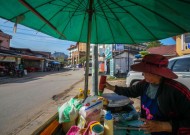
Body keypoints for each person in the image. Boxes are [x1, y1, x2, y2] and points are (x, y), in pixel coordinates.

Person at [105, 54, 190, 135]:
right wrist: (111, 87)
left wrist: (163, 126)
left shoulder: (178, 91)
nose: (143, 75)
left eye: (145, 72)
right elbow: (131, 91)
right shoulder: (145, 84)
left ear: (156, 73)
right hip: (148, 130)